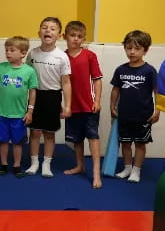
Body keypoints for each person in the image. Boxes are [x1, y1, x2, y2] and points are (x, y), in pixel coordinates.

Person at [110, 30, 159, 183]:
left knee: (140, 143)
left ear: (145, 50)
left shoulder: (150, 71)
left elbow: (157, 92)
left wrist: (158, 110)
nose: (132, 52)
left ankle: (136, 171)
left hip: (143, 115)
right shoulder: (121, 70)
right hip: (124, 114)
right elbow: (116, 89)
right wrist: (112, 106)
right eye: (129, 48)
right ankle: (127, 168)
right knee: (125, 143)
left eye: (137, 48)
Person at [25, 17, 71, 177]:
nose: (48, 30)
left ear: (59, 35)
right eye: (44, 27)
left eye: (52, 28)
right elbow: (27, 77)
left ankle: (47, 163)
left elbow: (66, 83)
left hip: (53, 97)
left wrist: (67, 105)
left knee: (49, 133)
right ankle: (34, 162)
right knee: (35, 132)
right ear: (39, 32)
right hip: (36, 96)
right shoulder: (32, 53)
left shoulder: (62, 57)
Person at [63, 21, 103, 188]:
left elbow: (97, 79)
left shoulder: (89, 56)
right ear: (65, 37)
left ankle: (96, 173)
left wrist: (97, 100)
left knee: (93, 138)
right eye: (73, 36)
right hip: (72, 106)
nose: (76, 39)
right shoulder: (62, 57)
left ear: (84, 38)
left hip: (89, 106)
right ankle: (79, 165)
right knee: (76, 139)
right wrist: (64, 105)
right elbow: (61, 83)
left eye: (80, 37)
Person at [0, 36, 38, 178]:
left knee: (18, 142)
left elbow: (32, 92)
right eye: (6, 50)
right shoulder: (1, 67)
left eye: (12, 50)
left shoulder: (29, 71)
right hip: (2, 113)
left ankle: (17, 165)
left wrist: (30, 111)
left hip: (19, 115)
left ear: (23, 53)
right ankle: (4, 163)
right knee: (3, 140)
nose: (8, 53)